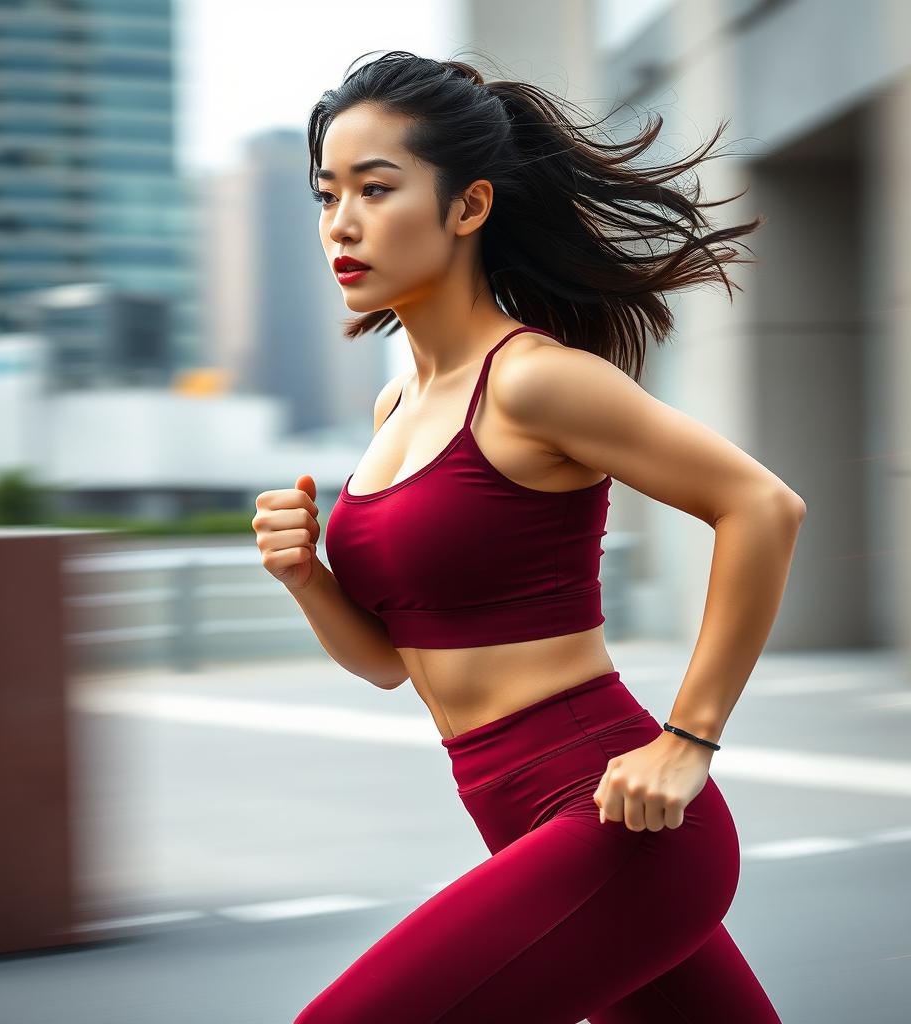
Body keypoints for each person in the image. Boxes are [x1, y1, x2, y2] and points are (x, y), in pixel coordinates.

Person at [251, 49, 803, 1024]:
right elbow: (391, 664)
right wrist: (305, 576)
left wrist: (687, 741)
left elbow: (760, 506)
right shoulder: (395, 404)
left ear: (467, 208)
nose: (341, 222)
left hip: (620, 816)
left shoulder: (533, 381)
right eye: (327, 193)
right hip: (508, 808)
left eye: (377, 190)